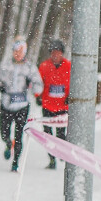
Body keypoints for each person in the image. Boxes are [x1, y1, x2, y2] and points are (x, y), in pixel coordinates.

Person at [0, 38, 42, 171]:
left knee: (19, 135)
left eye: (20, 51)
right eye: (15, 50)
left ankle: (15, 163)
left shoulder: (30, 68)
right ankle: (8, 144)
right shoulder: (5, 65)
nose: (17, 53)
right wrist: (0, 87)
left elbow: (38, 85)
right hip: (7, 104)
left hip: (22, 105)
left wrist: (33, 87)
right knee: (4, 132)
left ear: (24, 52)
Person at [37, 39, 71, 169]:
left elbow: (74, 83)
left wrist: (70, 96)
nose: (55, 55)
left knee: (61, 134)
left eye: (58, 52)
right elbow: (38, 83)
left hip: (62, 106)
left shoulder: (69, 66)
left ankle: (61, 153)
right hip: (48, 106)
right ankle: (52, 159)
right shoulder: (44, 66)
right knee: (47, 135)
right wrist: (38, 96)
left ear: (62, 53)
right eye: (53, 52)